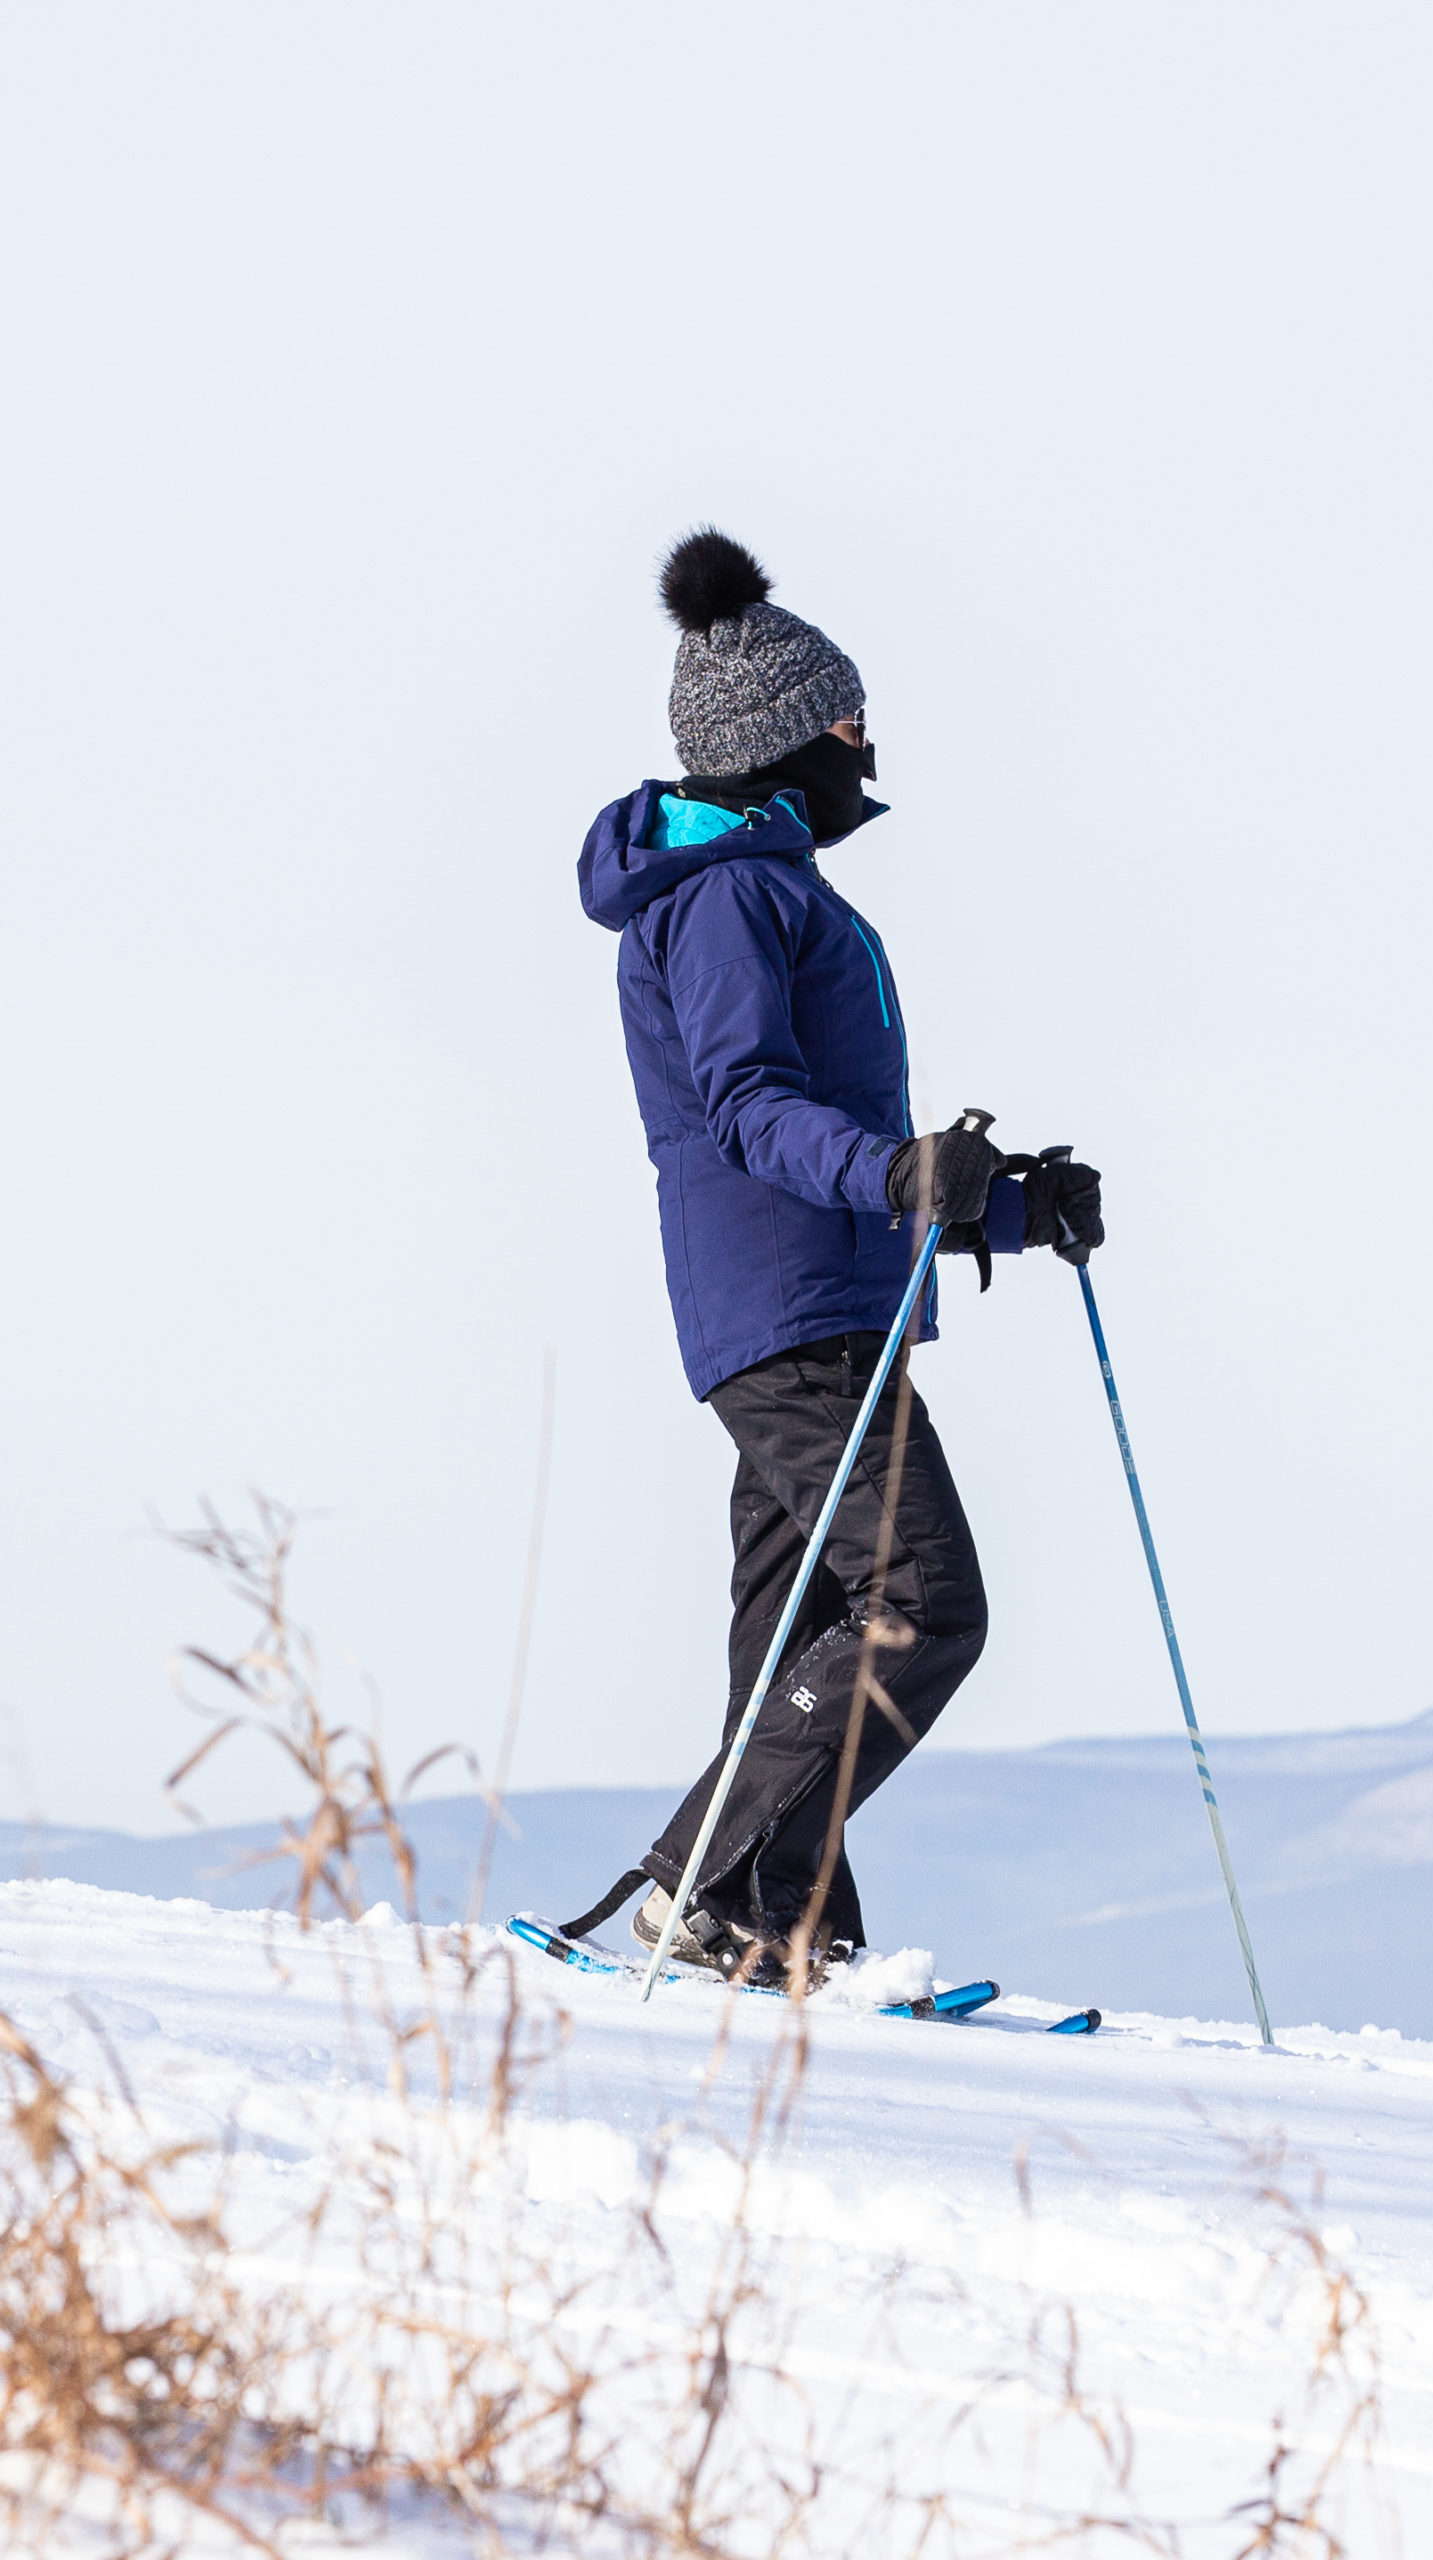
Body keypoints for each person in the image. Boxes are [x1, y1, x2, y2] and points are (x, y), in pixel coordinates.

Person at [573, 528, 1103, 1983]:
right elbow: (751, 1111)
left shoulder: (775, 892)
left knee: (795, 1624)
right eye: (847, 717)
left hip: (816, 1307)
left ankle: (768, 1922)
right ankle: (706, 1882)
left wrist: (1004, 1205)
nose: (866, 742)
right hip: (794, 1315)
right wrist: (896, 1169)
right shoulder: (733, 897)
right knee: (924, 1601)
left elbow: (844, 1144)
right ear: (785, 735)